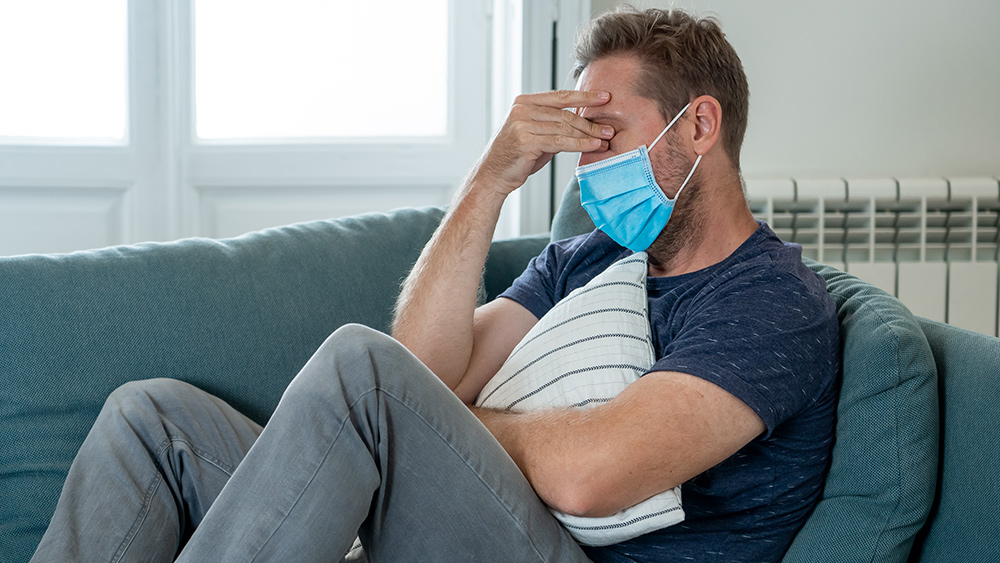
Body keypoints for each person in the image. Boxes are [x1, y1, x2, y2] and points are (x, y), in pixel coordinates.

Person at [31, 7, 838, 563]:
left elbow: (588, 476)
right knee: (151, 419)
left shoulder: (769, 300)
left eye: (608, 135)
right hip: (463, 524)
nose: (588, 166)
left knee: (363, 371)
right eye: (580, 143)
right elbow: (427, 367)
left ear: (699, 125)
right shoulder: (589, 261)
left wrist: (433, 422)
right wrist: (491, 179)